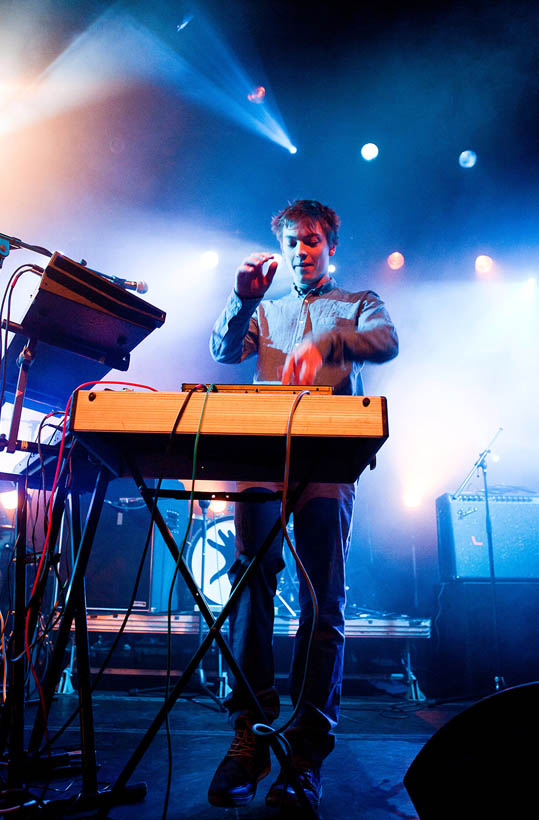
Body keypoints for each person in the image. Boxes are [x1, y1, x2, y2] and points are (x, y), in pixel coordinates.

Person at [207, 199, 398, 810]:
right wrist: (240, 298)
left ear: (331, 245)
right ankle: (251, 736)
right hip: (261, 457)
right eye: (292, 240)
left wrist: (329, 345)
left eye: (311, 240)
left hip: (327, 460)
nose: (300, 249)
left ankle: (305, 753)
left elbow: (388, 341)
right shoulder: (265, 304)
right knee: (249, 583)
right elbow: (221, 352)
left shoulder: (360, 301)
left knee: (322, 599)